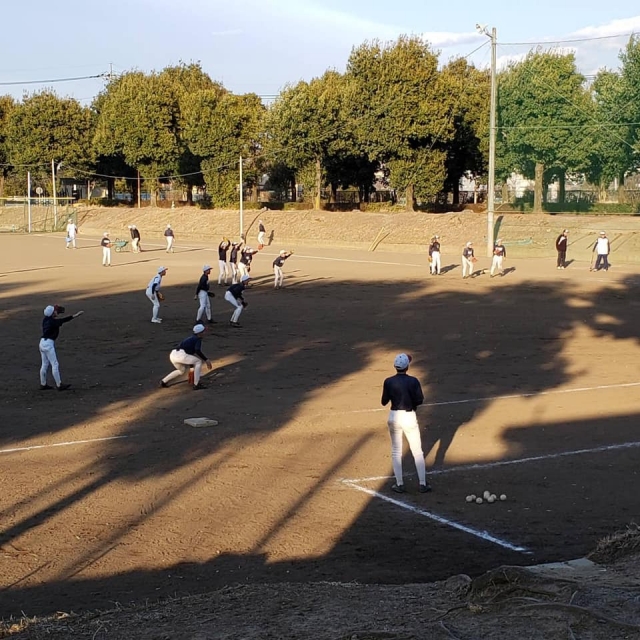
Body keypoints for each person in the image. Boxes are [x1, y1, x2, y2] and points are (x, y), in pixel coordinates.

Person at [381, 353, 430, 494]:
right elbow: (419, 400)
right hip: (409, 417)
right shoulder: (413, 381)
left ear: (395, 366)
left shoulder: (388, 381)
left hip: (393, 416)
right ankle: (422, 484)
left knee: (396, 451)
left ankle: (399, 484)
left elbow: (384, 401)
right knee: (417, 451)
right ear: (407, 367)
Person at [39, 304, 84, 391]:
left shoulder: (45, 320)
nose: (57, 312)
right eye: (55, 311)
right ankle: (59, 385)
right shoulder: (53, 322)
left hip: (42, 343)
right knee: (55, 364)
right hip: (48, 344)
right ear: (52, 313)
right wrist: (75, 316)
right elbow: (62, 320)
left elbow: (57, 319)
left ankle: (43, 384)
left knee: (44, 364)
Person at [160, 324, 212, 391]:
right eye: (204, 331)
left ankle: (163, 381)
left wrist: (191, 369)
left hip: (173, 355)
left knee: (181, 371)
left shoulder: (190, 338)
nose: (205, 333)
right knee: (198, 362)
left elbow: (190, 356)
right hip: (181, 355)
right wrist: (206, 360)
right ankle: (196, 384)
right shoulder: (197, 339)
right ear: (200, 333)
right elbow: (197, 350)